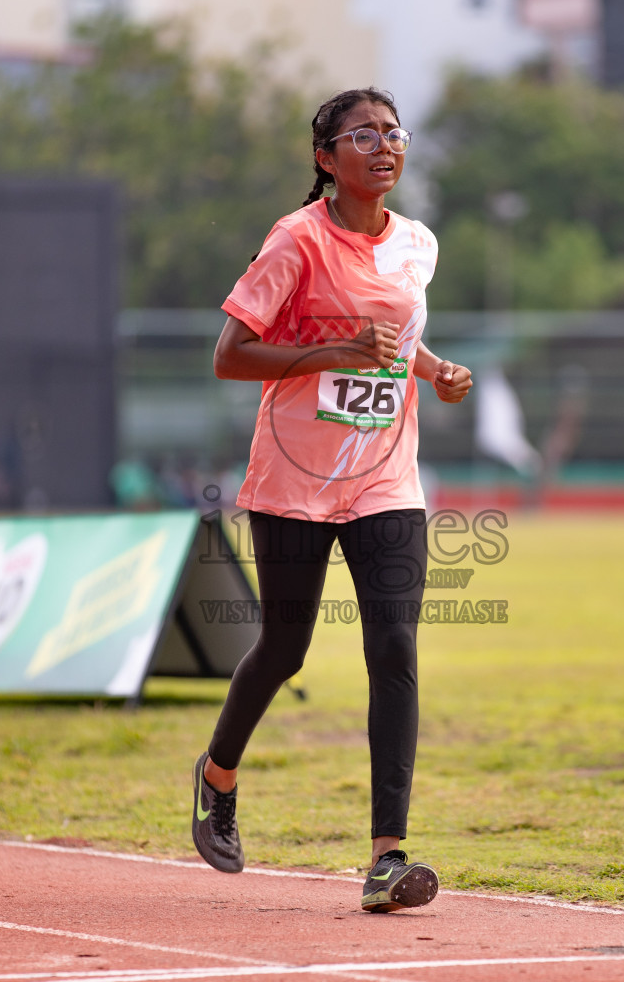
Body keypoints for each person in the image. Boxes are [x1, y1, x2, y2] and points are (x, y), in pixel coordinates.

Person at [191, 87, 472, 913]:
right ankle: (217, 775)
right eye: (364, 136)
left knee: (393, 647)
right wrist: (331, 352)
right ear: (326, 158)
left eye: (394, 133)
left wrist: (435, 370)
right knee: (285, 648)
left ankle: (389, 858)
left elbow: (399, 335)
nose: (385, 147)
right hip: (295, 478)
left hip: (387, 477)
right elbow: (230, 355)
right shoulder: (296, 240)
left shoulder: (417, 243)